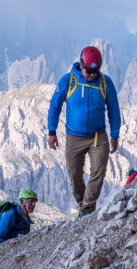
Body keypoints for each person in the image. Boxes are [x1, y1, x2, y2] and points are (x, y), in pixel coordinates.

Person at [47, 45, 121, 216]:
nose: (92, 75)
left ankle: (87, 208)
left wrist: (115, 135)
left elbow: (114, 110)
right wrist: (52, 132)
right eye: (88, 71)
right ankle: (83, 205)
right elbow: (54, 106)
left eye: (96, 72)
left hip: (98, 136)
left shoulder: (105, 83)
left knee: (99, 171)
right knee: (75, 175)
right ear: (81, 65)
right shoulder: (68, 80)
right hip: (74, 137)